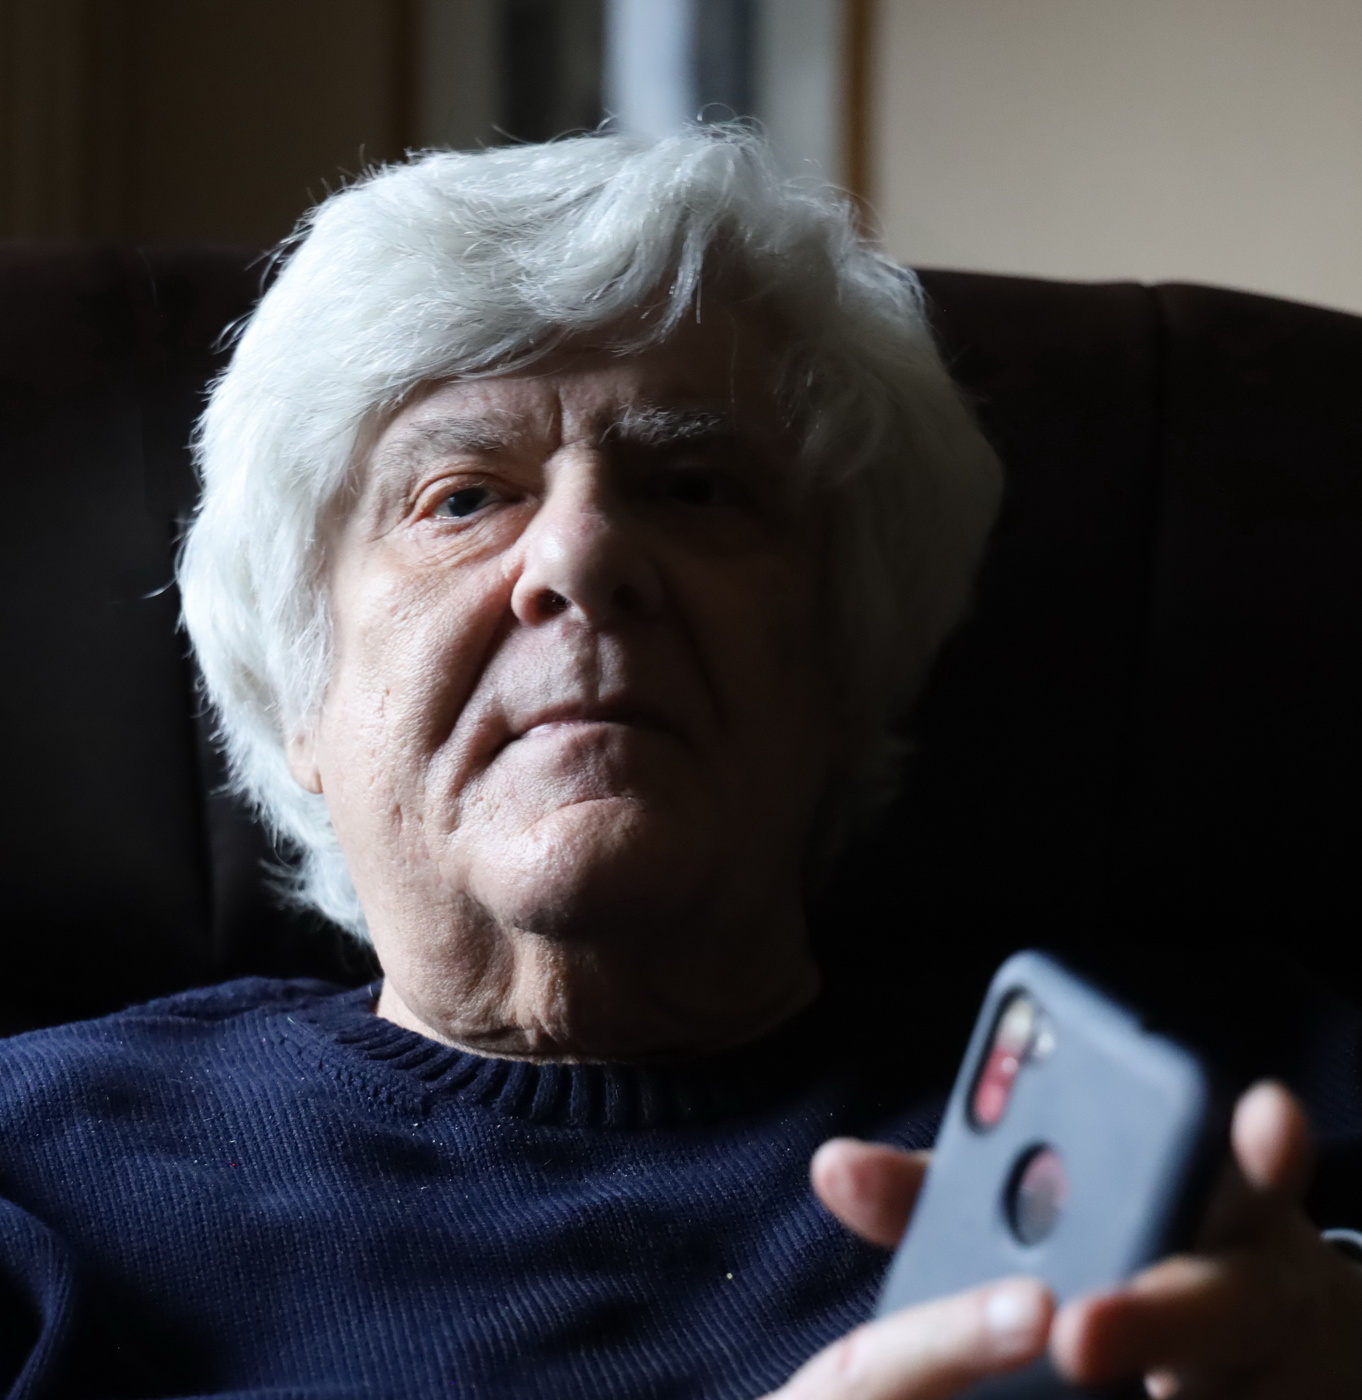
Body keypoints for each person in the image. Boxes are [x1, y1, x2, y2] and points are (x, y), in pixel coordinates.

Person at [1, 128, 1360, 1400]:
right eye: (460, 497)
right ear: (305, 695)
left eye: (694, 487)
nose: (582, 556)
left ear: (844, 660)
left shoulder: (1221, 1104)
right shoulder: (35, 1163)